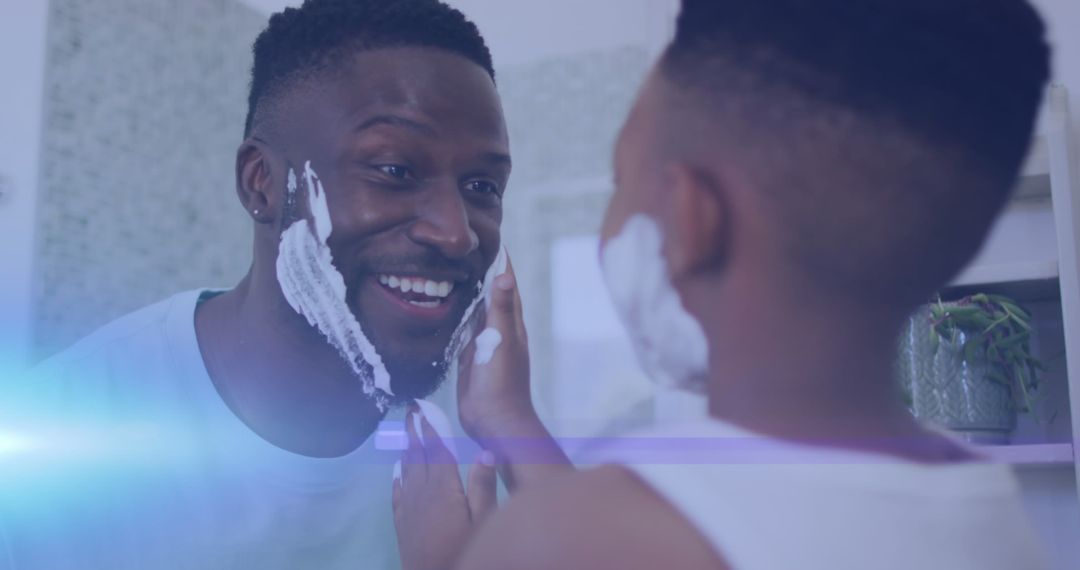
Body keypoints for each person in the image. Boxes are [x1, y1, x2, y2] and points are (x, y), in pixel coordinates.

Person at [392, 0, 1051, 568]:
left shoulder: (573, 538)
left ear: (690, 218)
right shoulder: (985, 507)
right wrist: (511, 421)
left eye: (621, 180)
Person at [0, 0, 525, 568]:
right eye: (394, 170)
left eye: (482, 186)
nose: (456, 234)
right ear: (262, 184)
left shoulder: (482, 450)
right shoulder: (53, 444)